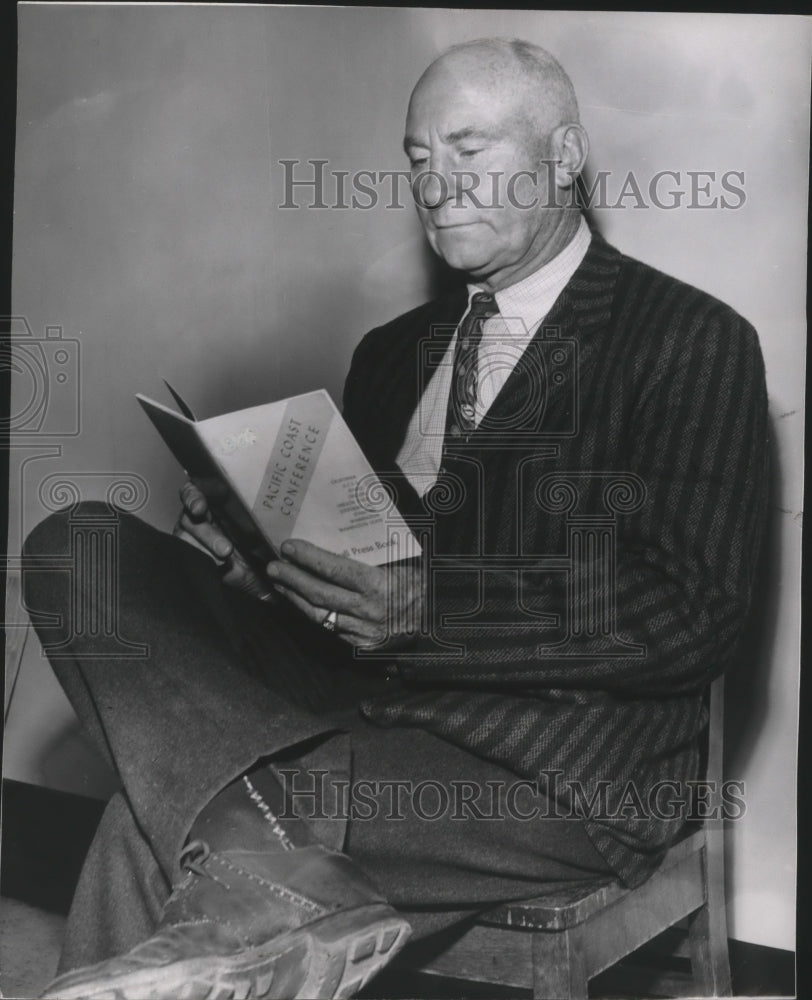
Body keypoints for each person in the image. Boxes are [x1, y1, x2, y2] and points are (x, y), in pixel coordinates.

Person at [23, 37, 769, 1000]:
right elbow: (360, 576)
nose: (437, 184)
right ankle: (290, 898)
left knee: (162, 819)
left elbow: (691, 611)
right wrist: (265, 569)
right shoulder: (392, 352)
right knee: (77, 551)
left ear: (566, 155)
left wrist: (431, 612)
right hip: (356, 707)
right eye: (420, 160)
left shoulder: (691, 340)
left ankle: (279, 901)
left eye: (469, 150)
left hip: (547, 762)